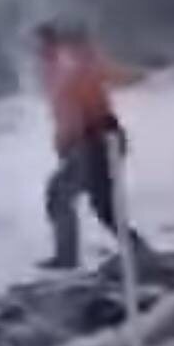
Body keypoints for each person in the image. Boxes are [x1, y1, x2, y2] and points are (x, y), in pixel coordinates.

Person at [34, 22, 155, 271]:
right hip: (97, 141)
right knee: (98, 205)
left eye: (40, 44)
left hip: (94, 142)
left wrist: (70, 145)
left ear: (50, 44)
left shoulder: (67, 67)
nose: (36, 51)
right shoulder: (60, 68)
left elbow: (75, 111)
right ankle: (137, 251)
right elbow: (112, 75)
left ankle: (69, 259)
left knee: (62, 196)